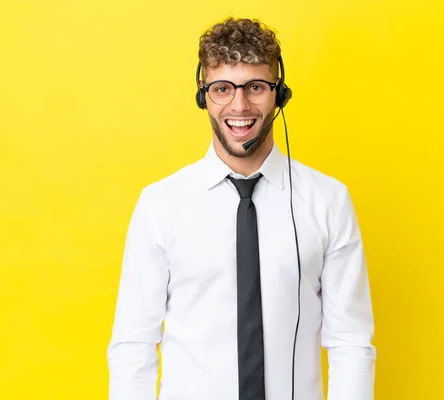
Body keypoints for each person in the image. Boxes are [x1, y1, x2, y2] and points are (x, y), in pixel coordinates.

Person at [107, 17, 376, 400]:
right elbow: (133, 344)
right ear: (203, 95)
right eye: (222, 88)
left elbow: (351, 341)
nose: (239, 105)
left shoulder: (328, 201)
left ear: (279, 93)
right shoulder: (160, 205)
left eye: (255, 87)